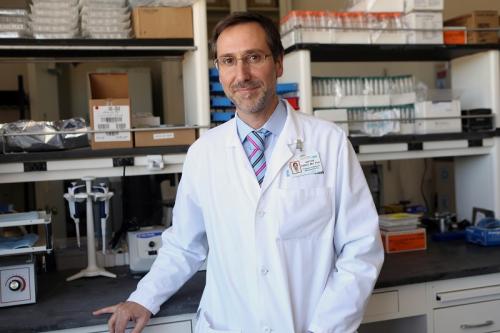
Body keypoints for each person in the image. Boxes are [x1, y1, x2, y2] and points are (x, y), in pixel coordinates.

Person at [94, 12, 384, 333]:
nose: (241, 74)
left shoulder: (329, 143)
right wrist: (144, 298)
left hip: (309, 326)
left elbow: (360, 248)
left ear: (278, 63)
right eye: (228, 61)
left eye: (253, 57)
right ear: (218, 71)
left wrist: (326, 328)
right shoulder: (204, 153)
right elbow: (184, 245)